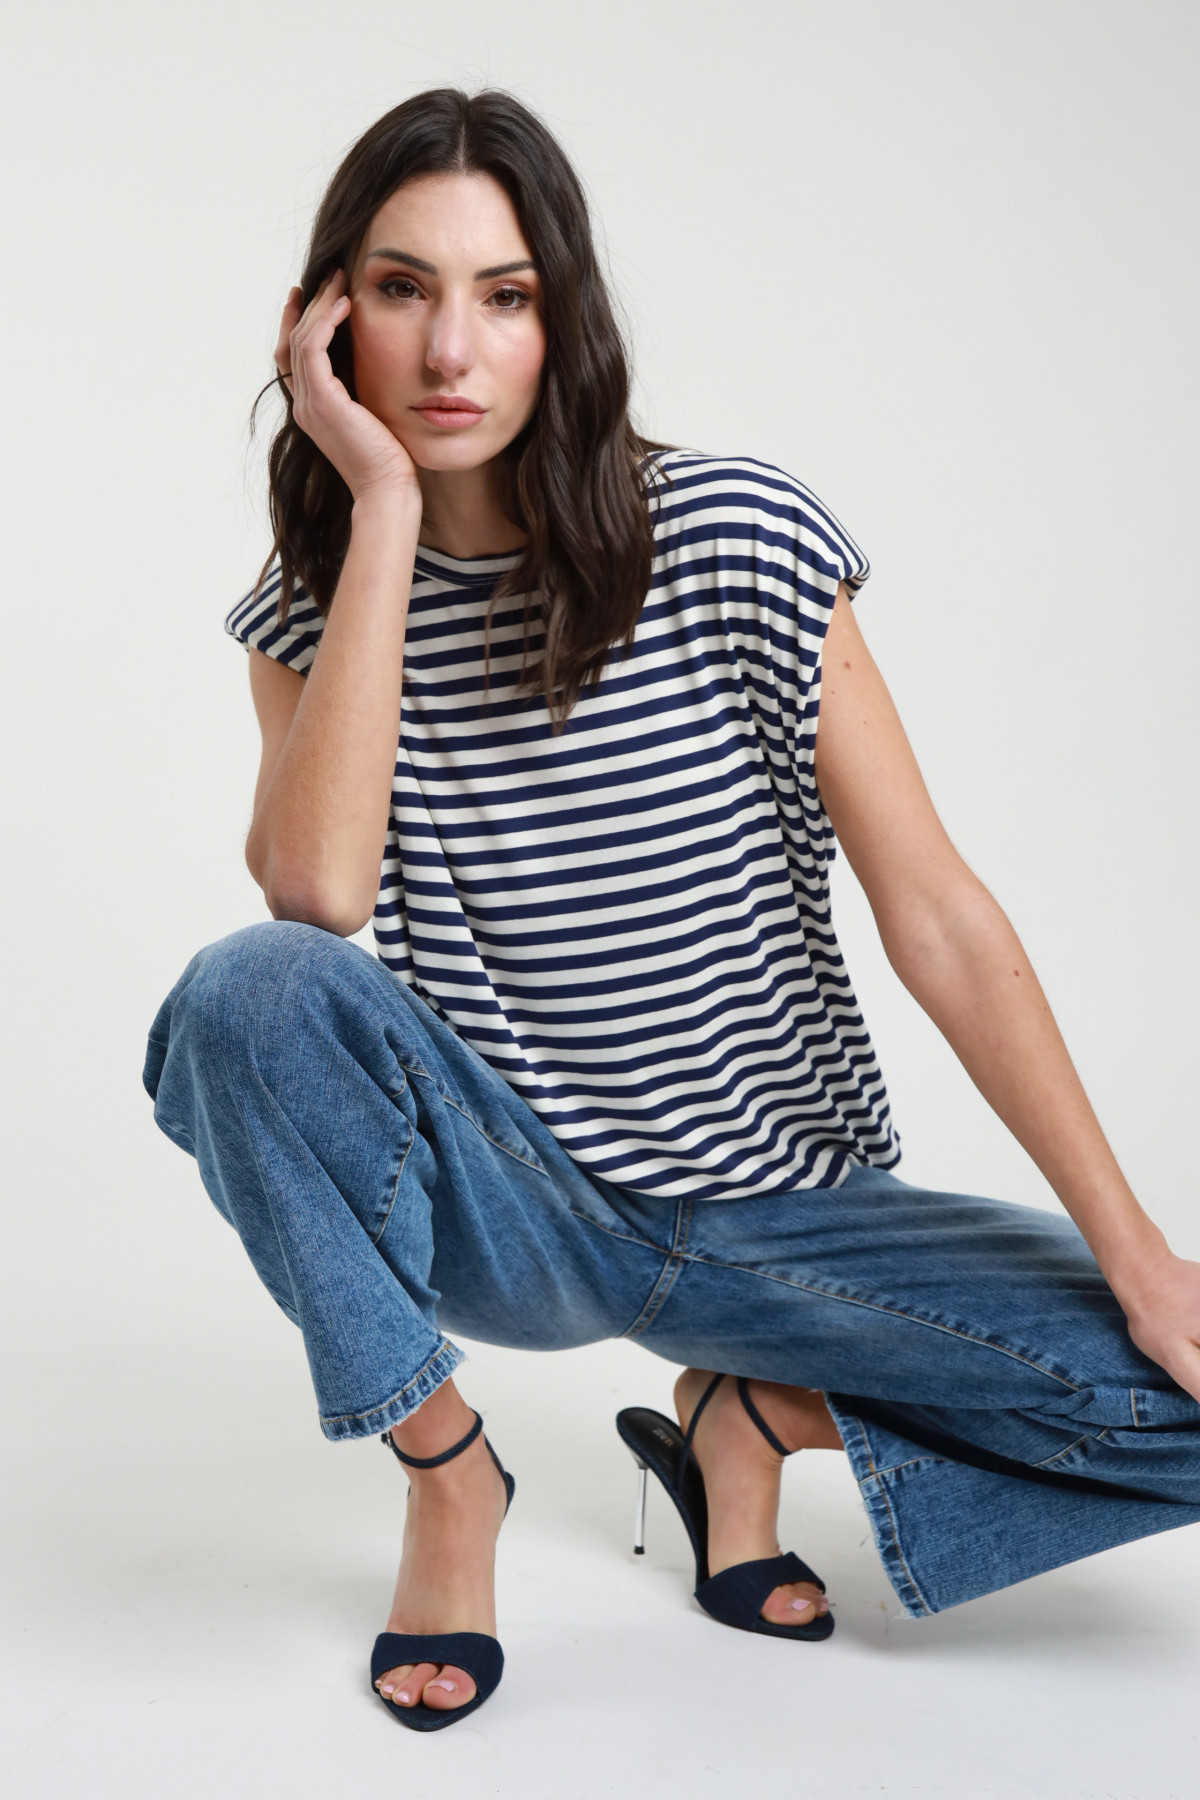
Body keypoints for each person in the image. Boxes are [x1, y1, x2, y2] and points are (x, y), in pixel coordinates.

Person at [143, 87, 1200, 1734]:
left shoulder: (737, 536)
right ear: (328, 321)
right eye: (404, 289)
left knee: (1187, 1398)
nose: (450, 351)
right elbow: (315, 895)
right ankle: (447, 1476)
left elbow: (937, 913)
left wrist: (1137, 1258)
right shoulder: (321, 602)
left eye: (506, 296)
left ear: (562, 318)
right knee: (245, 994)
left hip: (786, 1218)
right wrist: (386, 516)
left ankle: (754, 1419)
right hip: (520, 1210)